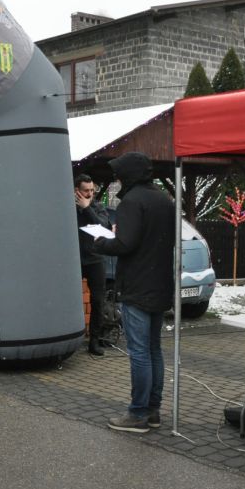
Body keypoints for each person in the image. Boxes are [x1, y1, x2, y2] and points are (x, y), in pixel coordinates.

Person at [93, 152, 175, 433]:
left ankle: (137, 413)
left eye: (118, 174)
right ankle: (153, 411)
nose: (116, 179)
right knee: (154, 350)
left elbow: (125, 244)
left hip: (137, 286)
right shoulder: (164, 200)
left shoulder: (131, 201)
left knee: (139, 352)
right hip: (160, 284)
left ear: (128, 174)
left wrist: (101, 241)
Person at [75, 173, 111, 356]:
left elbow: (103, 227)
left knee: (98, 300)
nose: (89, 194)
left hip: (95, 259)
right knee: (71, 299)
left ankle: (95, 341)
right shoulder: (68, 207)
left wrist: (87, 208)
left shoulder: (97, 206)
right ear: (76, 191)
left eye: (92, 190)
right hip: (74, 259)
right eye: (85, 191)